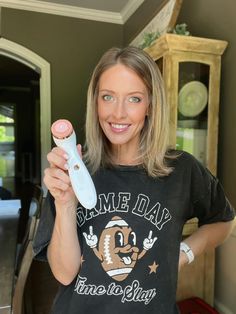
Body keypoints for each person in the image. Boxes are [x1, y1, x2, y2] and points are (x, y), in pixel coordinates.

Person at [33, 46, 235, 314]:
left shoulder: (182, 170)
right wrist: (65, 203)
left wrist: (183, 253)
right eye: (108, 97)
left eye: (134, 99)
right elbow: (64, 274)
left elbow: (224, 221)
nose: (118, 113)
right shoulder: (73, 172)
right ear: (95, 101)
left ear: (151, 104)